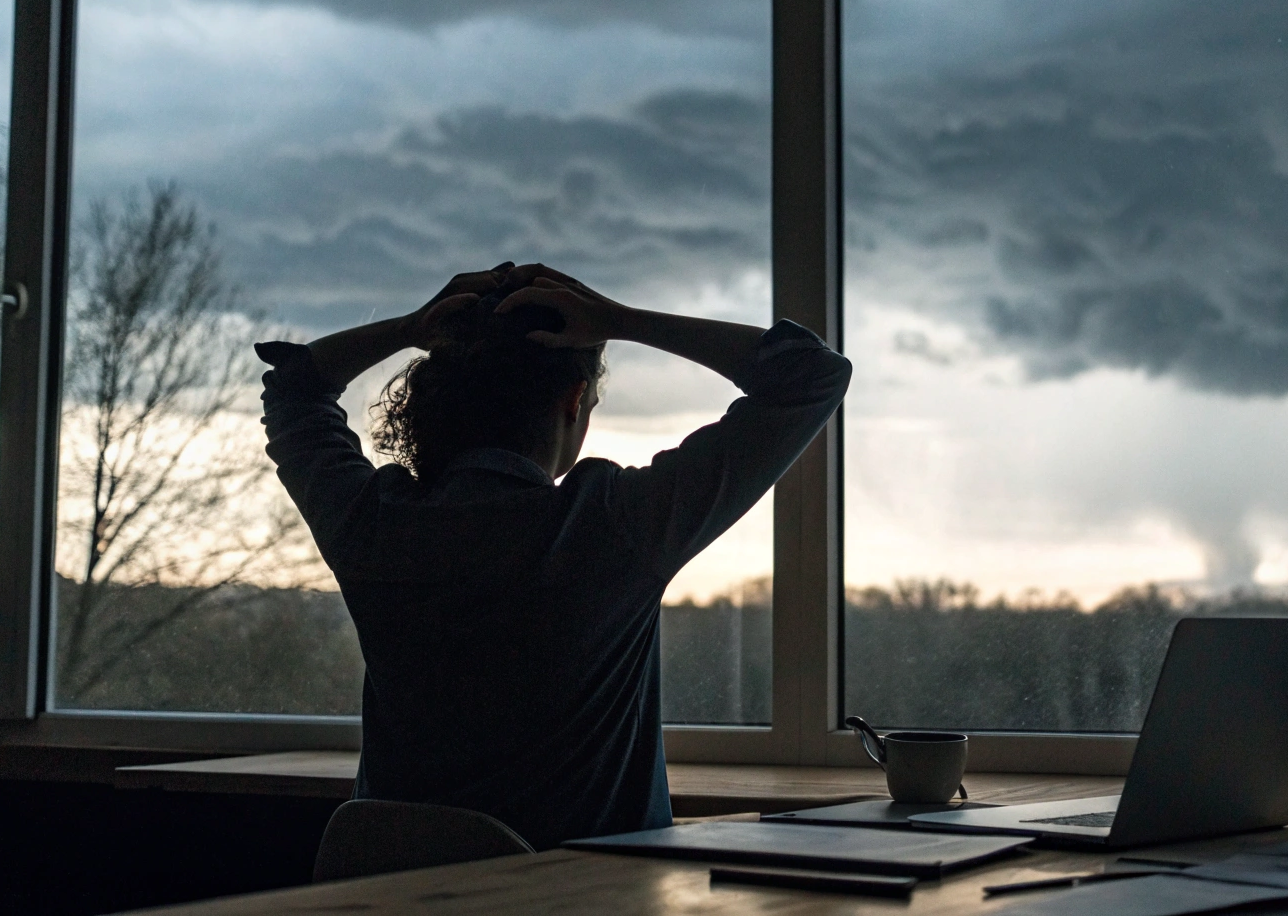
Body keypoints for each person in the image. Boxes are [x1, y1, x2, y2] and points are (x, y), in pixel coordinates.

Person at [256, 262, 849, 849]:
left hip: (392, 897)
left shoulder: (374, 523)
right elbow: (810, 374)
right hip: (577, 901)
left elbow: (294, 389)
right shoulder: (614, 526)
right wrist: (621, 320)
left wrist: (411, 329)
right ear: (574, 401)